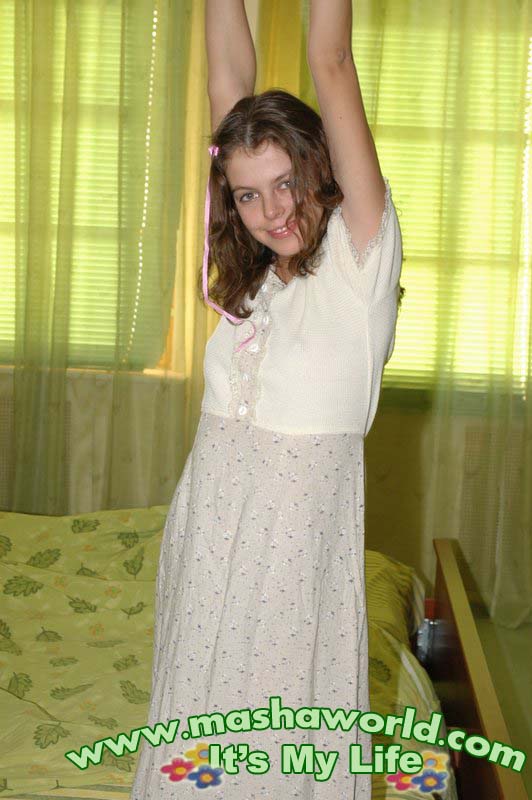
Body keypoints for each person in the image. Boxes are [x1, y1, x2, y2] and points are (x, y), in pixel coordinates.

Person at [130, 1, 404, 798]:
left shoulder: (359, 260)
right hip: (209, 534)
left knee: (272, 744)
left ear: (319, 167)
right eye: (248, 196)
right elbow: (227, 78)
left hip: (290, 555)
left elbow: (332, 61)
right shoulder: (254, 284)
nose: (273, 211)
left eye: (286, 183)